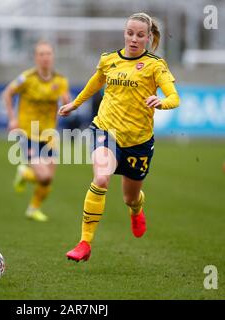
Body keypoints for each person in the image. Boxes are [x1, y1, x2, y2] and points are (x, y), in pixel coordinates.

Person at [58, 12, 180, 261]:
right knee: (101, 178)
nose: (134, 39)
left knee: (130, 197)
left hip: (138, 141)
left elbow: (174, 97)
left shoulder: (156, 65)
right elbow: (96, 81)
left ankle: (136, 210)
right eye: (130, 33)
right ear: (124, 33)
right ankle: (84, 243)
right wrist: (75, 103)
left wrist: (162, 102)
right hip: (105, 129)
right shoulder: (109, 59)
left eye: (140, 35)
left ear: (148, 37)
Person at [3, 40, 71, 222]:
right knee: (43, 175)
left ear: (53, 57)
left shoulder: (61, 81)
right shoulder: (27, 78)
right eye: (41, 54)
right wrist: (12, 119)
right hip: (27, 132)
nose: (45, 58)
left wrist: (67, 105)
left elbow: (66, 102)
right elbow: (7, 93)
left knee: (48, 180)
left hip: (49, 134)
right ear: (35, 57)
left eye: (48, 54)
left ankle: (33, 208)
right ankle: (25, 173)